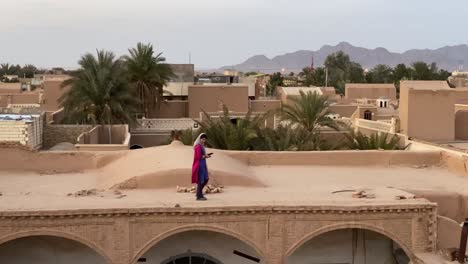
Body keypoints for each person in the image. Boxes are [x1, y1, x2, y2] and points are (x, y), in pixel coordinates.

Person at [192, 133, 211, 201]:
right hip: (199, 165)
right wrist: (206, 156)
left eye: (205, 139)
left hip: (203, 164)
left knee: (205, 179)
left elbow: (202, 156)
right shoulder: (198, 146)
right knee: (201, 180)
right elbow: (199, 157)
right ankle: (199, 196)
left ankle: (199, 193)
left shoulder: (201, 146)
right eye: (203, 139)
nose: (204, 141)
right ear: (199, 139)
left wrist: (206, 156)